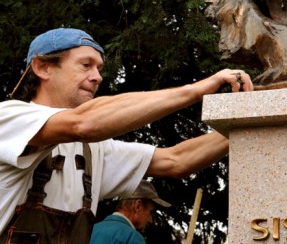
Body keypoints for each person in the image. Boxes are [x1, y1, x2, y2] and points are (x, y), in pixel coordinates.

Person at [0, 28, 253, 243]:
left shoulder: (92, 149)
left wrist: (254, 119)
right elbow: (84, 122)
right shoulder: (9, 119)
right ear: (43, 67)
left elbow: (177, 160)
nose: (97, 77)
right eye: (85, 65)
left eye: (99, 68)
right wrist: (199, 89)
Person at [90, 180, 171, 244]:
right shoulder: (132, 238)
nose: (150, 219)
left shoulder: (91, 230)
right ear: (138, 206)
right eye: (150, 212)